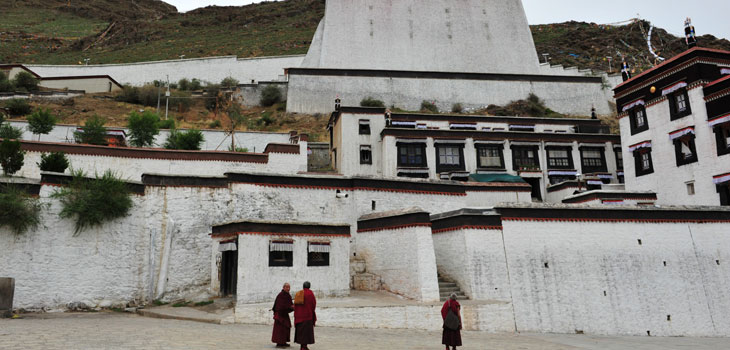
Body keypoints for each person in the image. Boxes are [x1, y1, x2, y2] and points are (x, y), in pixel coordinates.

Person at [294, 281, 317, 350]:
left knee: (301, 332)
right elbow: (313, 304)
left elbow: (295, 305)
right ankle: (304, 347)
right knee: (306, 333)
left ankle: (302, 346)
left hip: (299, 316)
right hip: (307, 316)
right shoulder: (310, 293)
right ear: (309, 287)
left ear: (303, 286)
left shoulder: (299, 293)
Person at [272, 283, 294, 348]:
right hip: (280, 314)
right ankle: (279, 343)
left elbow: (290, 304)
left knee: (286, 328)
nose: (288, 289)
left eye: (289, 287)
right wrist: (290, 307)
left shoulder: (288, 295)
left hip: (284, 314)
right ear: (283, 287)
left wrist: (292, 307)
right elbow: (281, 306)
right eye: (287, 287)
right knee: (280, 329)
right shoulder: (281, 295)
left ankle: (283, 342)